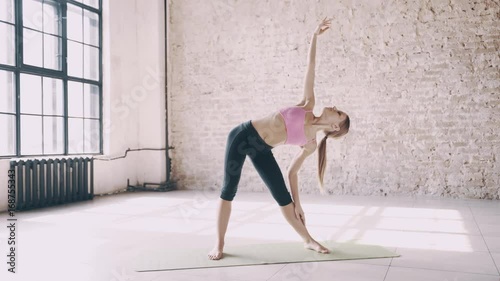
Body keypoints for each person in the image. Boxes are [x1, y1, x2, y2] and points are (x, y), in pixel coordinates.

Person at [208, 18, 350, 260]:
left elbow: (292, 173)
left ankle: (309, 239)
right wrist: (315, 36)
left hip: (262, 149)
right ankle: (219, 244)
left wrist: (298, 203)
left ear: (335, 125)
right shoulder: (308, 105)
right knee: (228, 190)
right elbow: (311, 66)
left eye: (338, 111)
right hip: (243, 136)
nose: (334, 106)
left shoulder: (311, 144)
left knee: (283, 198)